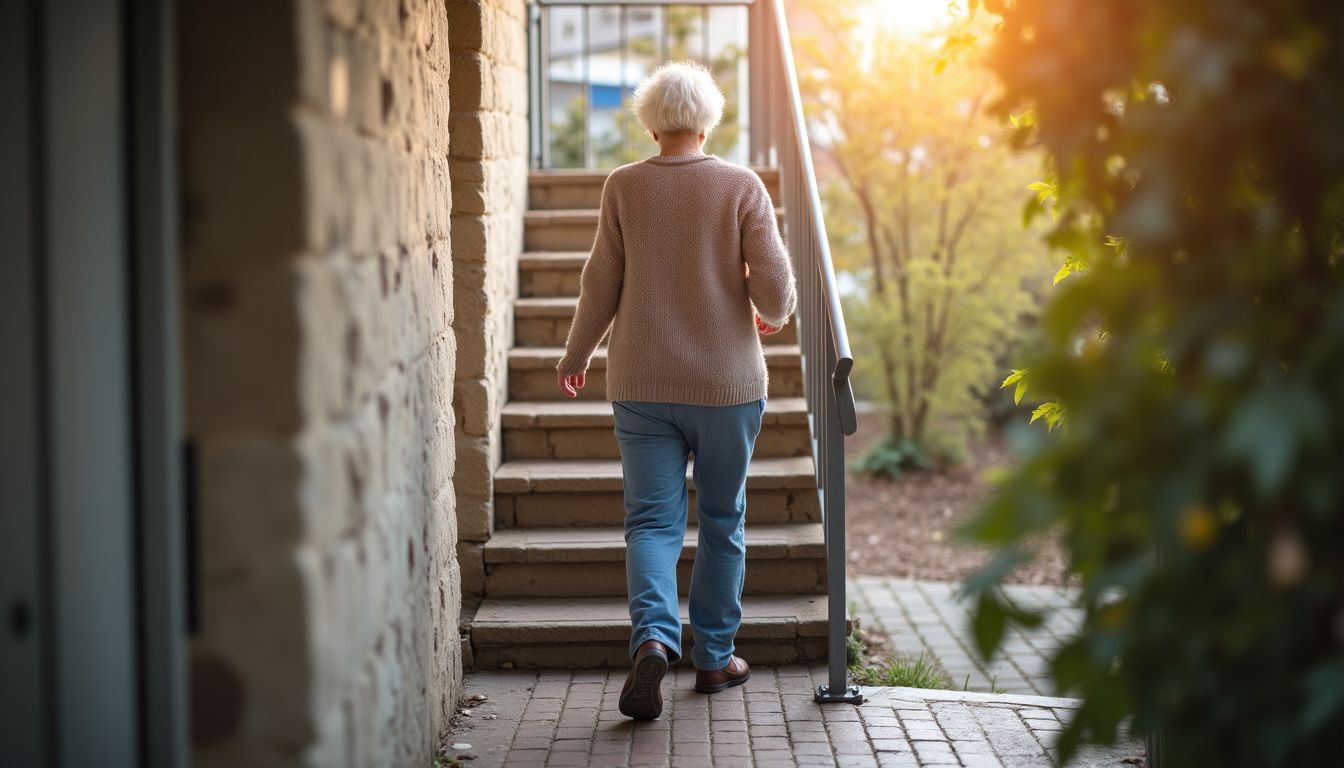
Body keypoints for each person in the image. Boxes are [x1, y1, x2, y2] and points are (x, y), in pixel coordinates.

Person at [555, 61, 798, 720]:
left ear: (649, 120)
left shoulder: (623, 186)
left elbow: (599, 282)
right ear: (707, 118)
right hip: (726, 385)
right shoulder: (741, 185)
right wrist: (765, 307)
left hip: (640, 382)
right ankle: (715, 659)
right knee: (723, 521)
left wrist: (576, 355)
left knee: (652, 523)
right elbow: (775, 289)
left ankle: (654, 641)